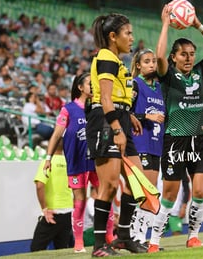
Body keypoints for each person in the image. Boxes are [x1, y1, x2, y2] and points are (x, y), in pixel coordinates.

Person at [147, 4, 203, 253]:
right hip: (175, 139)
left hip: (199, 139)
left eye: (192, 53)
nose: (189, 58)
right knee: (170, 194)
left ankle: (193, 236)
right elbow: (158, 57)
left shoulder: (201, 71)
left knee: (200, 191)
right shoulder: (167, 75)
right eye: (184, 54)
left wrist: (198, 23)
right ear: (174, 57)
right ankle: (155, 241)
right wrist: (166, 23)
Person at [85, 13, 147, 257]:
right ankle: (99, 245)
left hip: (119, 118)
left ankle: (123, 237)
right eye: (127, 33)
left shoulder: (118, 61)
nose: (132, 38)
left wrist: (128, 116)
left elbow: (118, 98)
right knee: (109, 185)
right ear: (113, 36)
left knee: (136, 179)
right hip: (105, 121)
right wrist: (118, 129)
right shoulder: (107, 57)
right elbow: (106, 99)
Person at [42, 73, 115, 253]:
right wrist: (48, 158)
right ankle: (79, 242)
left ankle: (110, 236)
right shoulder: (68, 109)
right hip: (76, 161)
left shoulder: (99, 108)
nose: (94, 86)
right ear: (80, 87)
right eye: (91, 83)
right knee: (80, 201)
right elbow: (57, 135)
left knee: (106, 196)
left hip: (97, 159)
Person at [129, 48, 166, 245]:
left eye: (153, 61)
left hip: (156, 145)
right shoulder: (135, 84)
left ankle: (142, 237)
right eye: (146, 61)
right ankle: (136, 236)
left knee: (151, 192)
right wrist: (146, 116)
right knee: (144, 192)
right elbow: (125, 111)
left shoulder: (161, 88)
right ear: (138, 65)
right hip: (140, 143)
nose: (151, 64)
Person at [30, 139, 73, 252]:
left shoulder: (47, 162)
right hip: (68, 212)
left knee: (36, 250)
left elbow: (40, 185)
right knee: (62, 250)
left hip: (52, 213)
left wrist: (44, 208)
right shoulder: (69, 162)